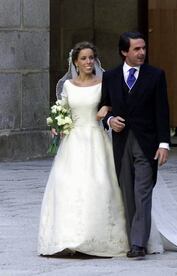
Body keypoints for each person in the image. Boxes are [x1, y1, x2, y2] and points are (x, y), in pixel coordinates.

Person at [38, 41, 129, 257]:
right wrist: (58, 124)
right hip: (72, 142)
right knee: (67, 185)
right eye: (84, 59)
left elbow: (117, 102)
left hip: (96, 139)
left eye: (91, 58)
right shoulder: (68, 85)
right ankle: (69, 238)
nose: (88, 62)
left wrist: (107, 108)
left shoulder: (103, 82)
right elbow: (63, 109)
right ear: (75, 63)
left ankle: (97, 238)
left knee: (99, 184)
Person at [100, 31, 170, 259]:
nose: (142, 53)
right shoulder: (110, 77)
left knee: (142, 192)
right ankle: (134, 239)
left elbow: (162, 111)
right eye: (136, 49)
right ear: (124, 52)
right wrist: (110, 121)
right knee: (128, 193)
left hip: (147, 143)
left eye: (143, 48)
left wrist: (164, 144)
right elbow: (103, 107)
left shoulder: (156, 75)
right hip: (121, 143)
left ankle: (138, 244)